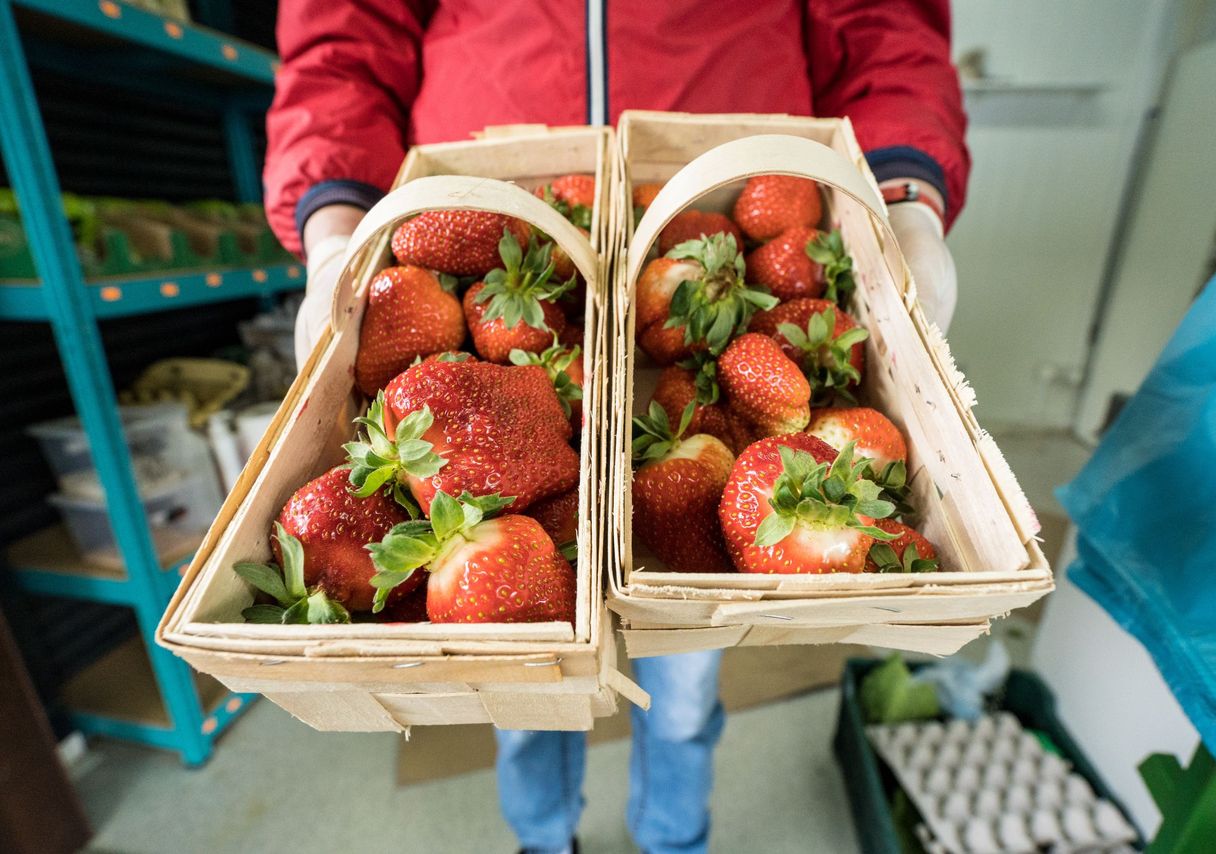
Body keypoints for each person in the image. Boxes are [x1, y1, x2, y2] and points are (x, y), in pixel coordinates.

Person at [264, 3, 969, 852]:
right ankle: (543, 837)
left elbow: (884, 25)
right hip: (497, 189)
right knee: (523, 699)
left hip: (709, 172)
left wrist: (907, 202)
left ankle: (673, 837)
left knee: (679, 691)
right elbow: (343, 36)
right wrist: (339, 227)